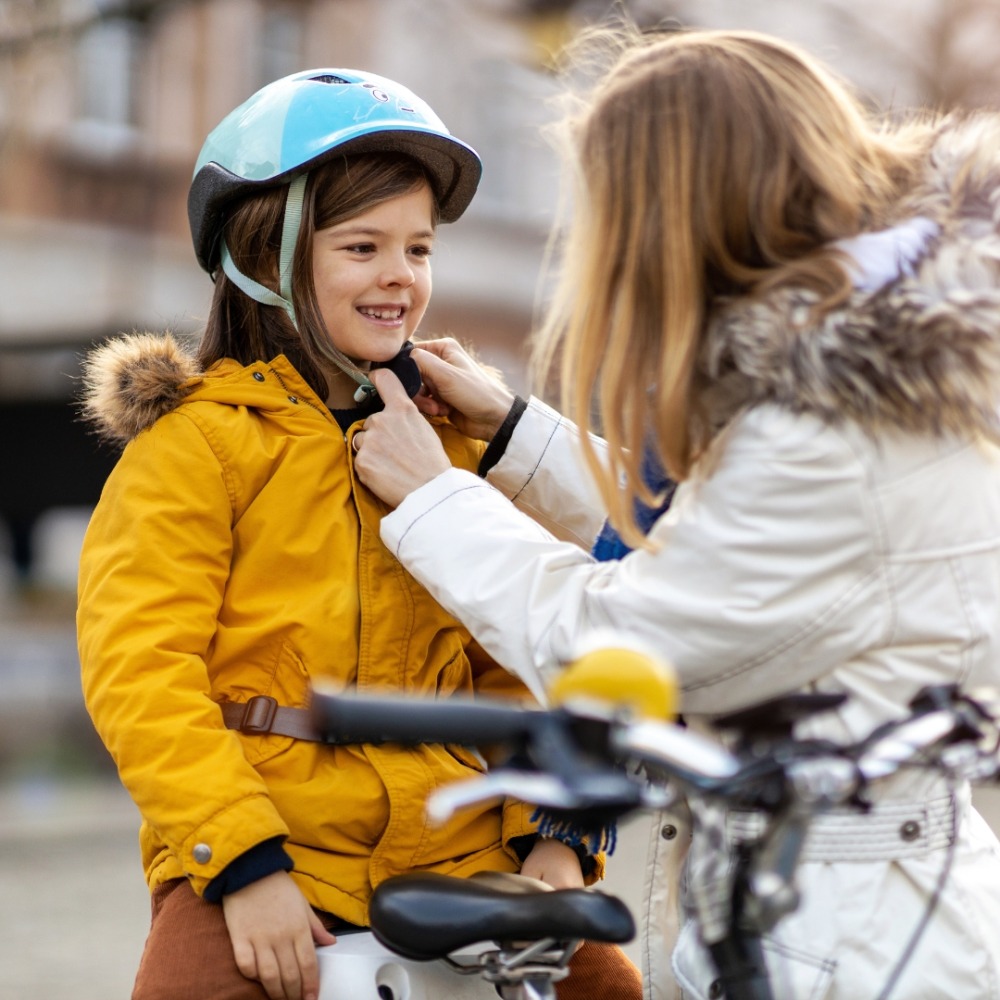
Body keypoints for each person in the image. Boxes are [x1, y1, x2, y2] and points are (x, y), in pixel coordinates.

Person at [349, 27, 1000, 1000]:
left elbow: (617, 643)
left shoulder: (822, 436)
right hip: (860, 904)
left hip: (852, 939)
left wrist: (438, 498)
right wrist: (515, 436)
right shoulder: (858, 384)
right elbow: (723, 549)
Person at [76, 68, 642, 1000]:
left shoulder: (455, 445)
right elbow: (140, 673)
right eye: (363, 246)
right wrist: (243, 867)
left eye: (419, 249)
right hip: (275, 846)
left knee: (612, 989)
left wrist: (556, 837)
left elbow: (527, 651)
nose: (400, 276)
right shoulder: (197, 447)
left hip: (463, 846)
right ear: (270, 253)